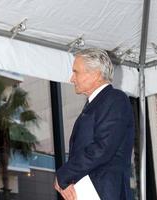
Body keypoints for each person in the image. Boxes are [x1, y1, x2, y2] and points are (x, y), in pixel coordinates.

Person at [54, 48, 135, 200]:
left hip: (102, 192)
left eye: (76, 72)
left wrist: (64, 174)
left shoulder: (115, 99)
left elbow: (102, 148)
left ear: (96, 74)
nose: (72, 79)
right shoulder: (97, 104)